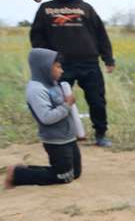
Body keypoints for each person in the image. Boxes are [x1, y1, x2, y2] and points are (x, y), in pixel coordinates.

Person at [30, 0, 115, 147]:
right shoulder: (46, 9)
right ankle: (65, 136)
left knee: (97, 100)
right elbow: (37, 37)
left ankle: (100, 134)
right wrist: (47, 62)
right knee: (58, 102)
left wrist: (108, 59)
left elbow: (101, 34)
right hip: (60, 66)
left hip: (89, 63)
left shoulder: (86, 8)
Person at [4, 49, 83, 188]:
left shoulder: (53, 83)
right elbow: (46, 117)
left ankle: (26, 170)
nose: (62, 71)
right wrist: (67, 105)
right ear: (45, 67)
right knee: (64, 177)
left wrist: (77, 130)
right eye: (58, 67)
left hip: (67, 136)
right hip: (55, 139)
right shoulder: (36, 89)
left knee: (74, 173)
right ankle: (17, 174)